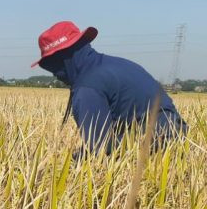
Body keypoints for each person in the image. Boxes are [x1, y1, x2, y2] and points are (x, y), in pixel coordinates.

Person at [32, 21, 187, 155]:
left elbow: (99, 146)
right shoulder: (118, 64)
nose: (55, 74)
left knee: (77, 161)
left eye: (51, 65)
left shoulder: (87, 87)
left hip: (155, 142)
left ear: (61, 59)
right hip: (176, 134)